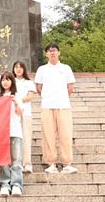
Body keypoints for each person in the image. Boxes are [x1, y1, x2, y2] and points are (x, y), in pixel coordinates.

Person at [34, 42, 78, 174]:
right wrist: (48, 97)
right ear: (46, 54)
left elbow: (70, 87)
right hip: (47, 106)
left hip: (63, 106)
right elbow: (38, 87)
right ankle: (51, 163)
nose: (52, 52)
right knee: (48, 135)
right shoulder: (42, 69)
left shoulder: (66, 68)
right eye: (49, 50)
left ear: (59, 52)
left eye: (54, 50)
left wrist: (62, 97)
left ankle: (67, 163)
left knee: (65, 134)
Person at [0, 72, 24, 196]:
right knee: (3, 160)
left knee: (16, 160)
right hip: (1, 133)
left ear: (12, 82)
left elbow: (20, 112)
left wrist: (15, 102)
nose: (5, 82)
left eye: (8, 79)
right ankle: (5, 184)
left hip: (15, 131)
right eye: (3, 80)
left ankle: (17, 185)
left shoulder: (17, 96)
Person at [13, 61, 36, 173]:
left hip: (26, 113)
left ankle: (27, 163)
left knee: (26, 138)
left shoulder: (28, 82)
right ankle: (17, 162)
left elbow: (30, 96)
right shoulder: (11, 81)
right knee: (15, 140)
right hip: (13, 114)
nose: (18, 69)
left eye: (20, 67)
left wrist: (18, 100)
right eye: (16, 67)